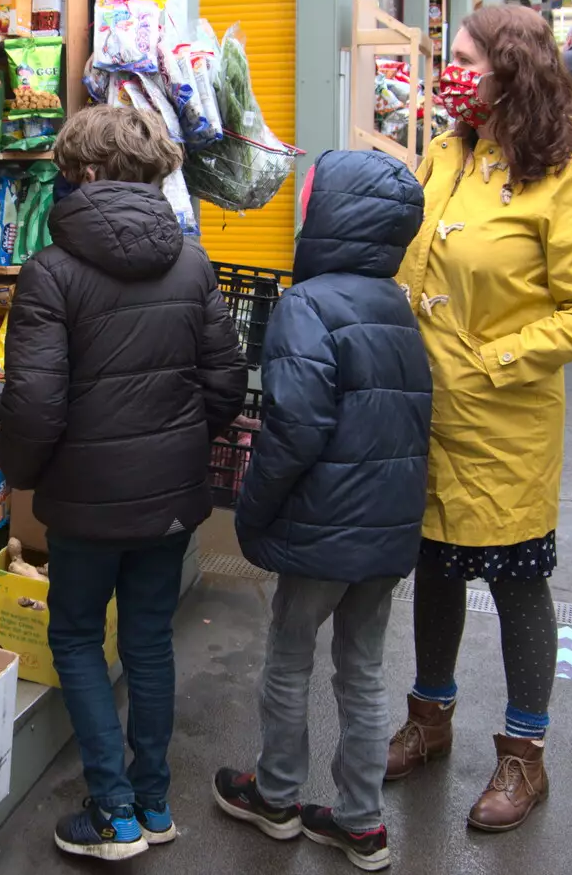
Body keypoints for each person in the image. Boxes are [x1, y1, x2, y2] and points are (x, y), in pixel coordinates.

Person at [387, 4, 572, 832]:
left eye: (462, 58)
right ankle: (430, 719)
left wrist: (491, 361)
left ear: (510, 66)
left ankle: (525, 756)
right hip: (425, 411)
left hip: (502, 422)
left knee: (518, 580)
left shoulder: (566, 171)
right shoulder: (447, 148)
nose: (449, 71)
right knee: (435, 566)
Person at [0, 106, 248, 861]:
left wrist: (23, 474)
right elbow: (227, 381)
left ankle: (111, 814)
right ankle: (152, 801)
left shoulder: (50, 272)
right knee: (148, 641)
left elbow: (35, 404)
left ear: (86, 173)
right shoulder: (192, 260)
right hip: (170, 498)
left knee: (76, 634)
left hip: (83, 500)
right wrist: (178, 444)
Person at [212, 150, 432, 873]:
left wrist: (254, 506)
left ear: (328, 214)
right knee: (363, 672)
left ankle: (275, 794)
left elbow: (296, 425)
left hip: (319, 524)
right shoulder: (395, 303)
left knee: (289, 654)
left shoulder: (307, 304)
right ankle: (362, 822)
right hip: (386, 528)